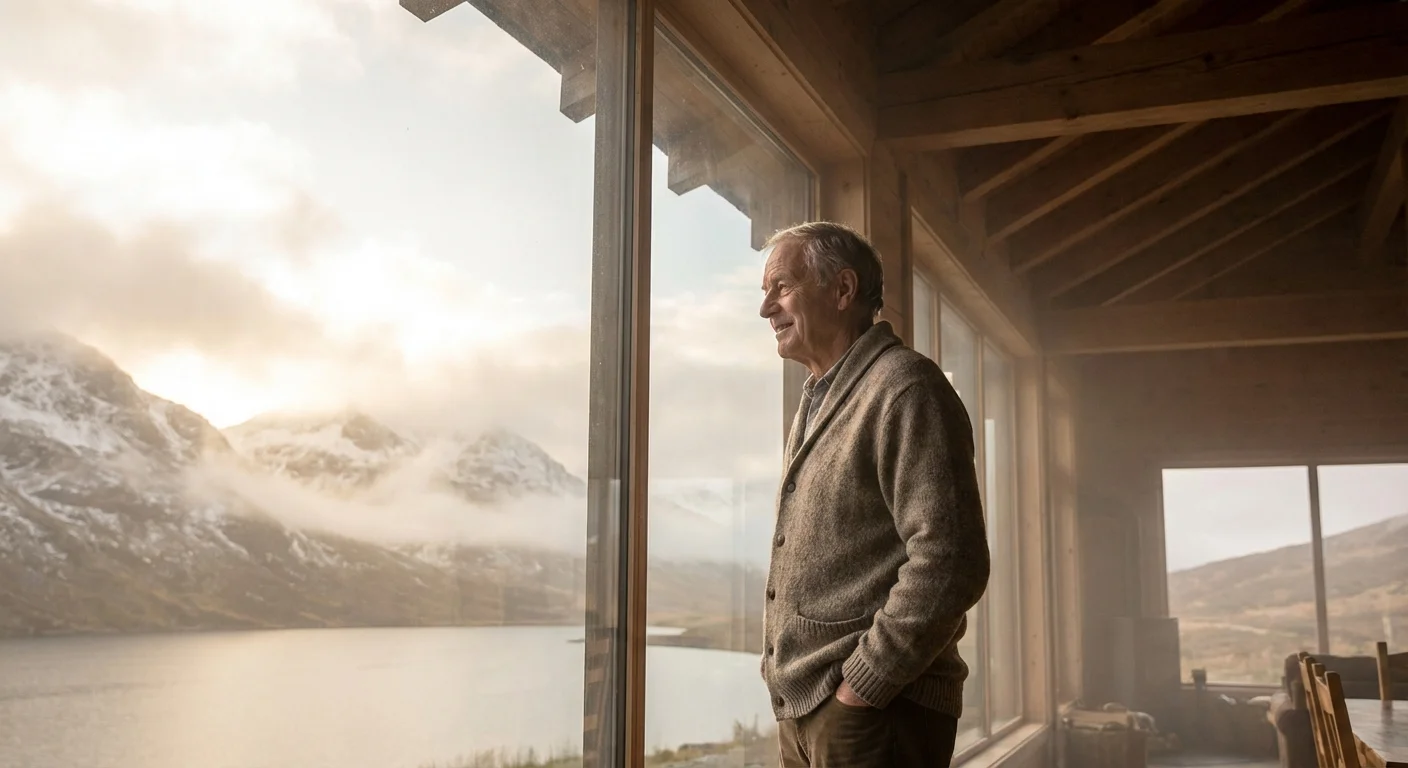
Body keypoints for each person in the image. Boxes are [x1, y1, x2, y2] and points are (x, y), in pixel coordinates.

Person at [757, 221, 990, 767]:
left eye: (782, 287)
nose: (766, 309)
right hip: (815, 711)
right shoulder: (823, 395)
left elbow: (952, 559)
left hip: (877, 711)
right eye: (764, 293)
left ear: (843, 290)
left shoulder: (906, 388)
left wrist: (862, 686)